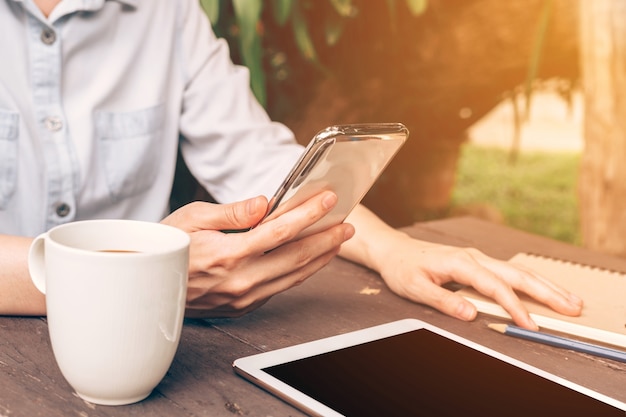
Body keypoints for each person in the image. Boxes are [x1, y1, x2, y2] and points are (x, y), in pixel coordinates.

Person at [0, 0, 583, 329]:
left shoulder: (167, 11)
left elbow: (253, 156)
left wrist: (392, 249)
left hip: (146, 339)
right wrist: (134, 278)